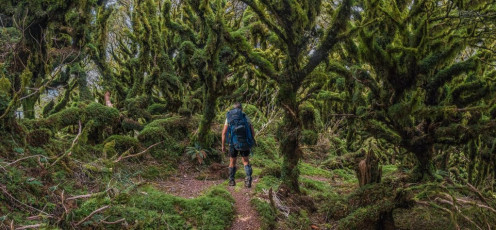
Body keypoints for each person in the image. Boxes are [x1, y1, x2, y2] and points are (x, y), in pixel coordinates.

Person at [222, 102, 256, 187]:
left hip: (233, 142)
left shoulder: (229, 117)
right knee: (245, 161)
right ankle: (248, 181)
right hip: (244, 142)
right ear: (241, 109)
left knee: (232, 161)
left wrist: (223, 145)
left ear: (234, 108)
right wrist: (251, 140)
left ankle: (231, 181)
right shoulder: (245, 116)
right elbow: (253, 132)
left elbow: (224, 133)